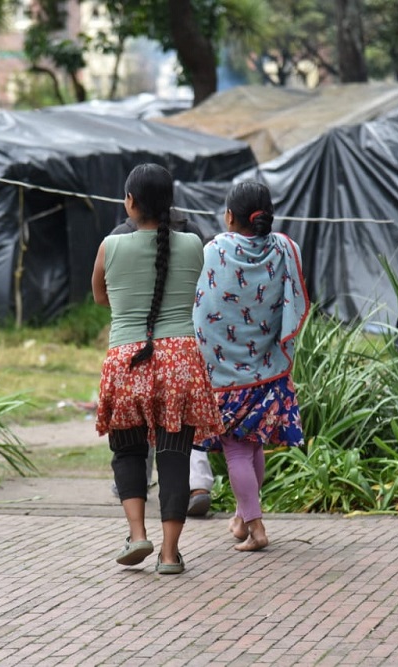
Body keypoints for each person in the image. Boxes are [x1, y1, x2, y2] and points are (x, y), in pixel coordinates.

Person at [92, 163, 223, 575]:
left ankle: (137, 535)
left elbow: (100, 298)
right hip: (181, 359)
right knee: (174, 455)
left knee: (128, 450)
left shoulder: (108, 247)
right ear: (171, 204)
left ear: (129, 202)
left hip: (128, 358)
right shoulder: (192, 245)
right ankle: (169, 554)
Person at [193, 180, 310, 552]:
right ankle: (243, 518)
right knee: (253, 447)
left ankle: (257, 527)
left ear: (229, 216)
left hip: (225, 376)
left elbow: (204, 306)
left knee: (237, 451)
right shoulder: (286, 248)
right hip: (267, 370)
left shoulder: (214, 249)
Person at [107, 208, 217, 517]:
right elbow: (207, 286)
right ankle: (197, 487)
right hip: (182, 347)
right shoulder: (193, 237)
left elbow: (105, 296)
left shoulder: (116, 239)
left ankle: (135, 493)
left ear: (130, 201)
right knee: (181, 436)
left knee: (133, 436)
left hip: (131, 350)